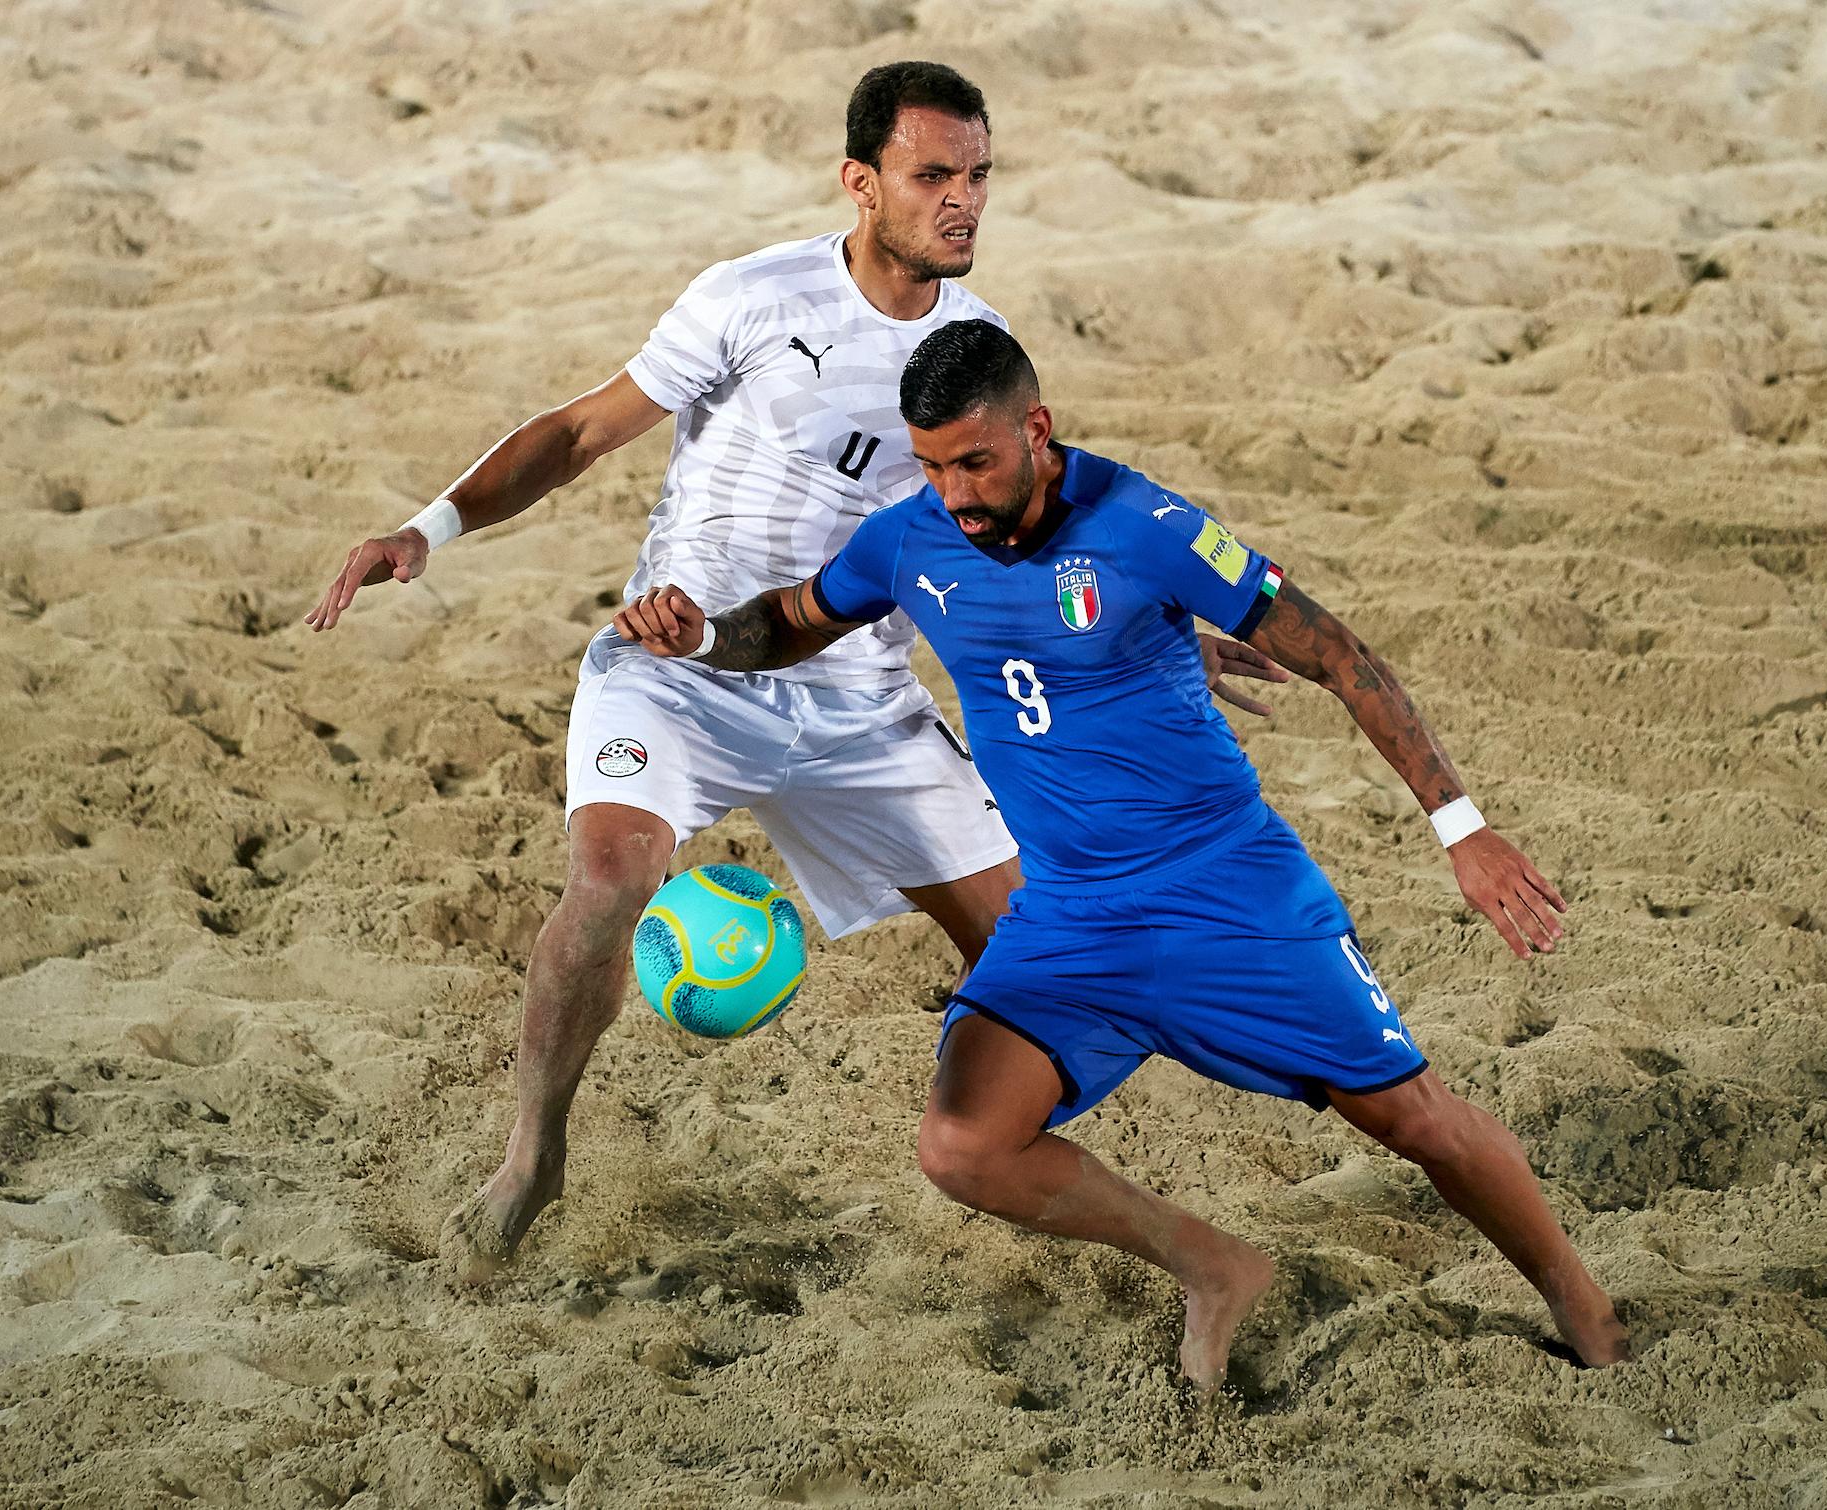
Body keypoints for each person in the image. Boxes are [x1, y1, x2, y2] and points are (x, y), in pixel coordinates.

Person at [302, 64, 1283, 1282]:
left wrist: (1160, 631)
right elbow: (578, 430)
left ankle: (1142, 1228)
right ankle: (531, 1155)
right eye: (934, 175)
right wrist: (427, 529)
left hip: (859, 702)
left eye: (979, 174)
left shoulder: (981, 354)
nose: (964, 200)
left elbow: (1023, 536)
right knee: (609, 880)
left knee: (1047, 963)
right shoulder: (753, 296)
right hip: (681, 662)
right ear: (861, 182)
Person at [612, 319, 1632, 1387]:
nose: (954, 495)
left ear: (1036, 430)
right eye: (931, 467)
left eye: (974, 463)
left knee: (1414, 1120)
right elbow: (792, 620)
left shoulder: (1147, 527)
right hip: (1068, 917)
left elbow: (1339, 654)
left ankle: (1586, 1310)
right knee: (962, 1146)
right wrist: (702, 637)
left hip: (1228, 893)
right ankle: (1214, 1265)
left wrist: (1463, 832)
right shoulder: (908, 539)